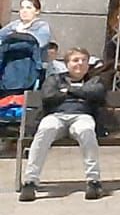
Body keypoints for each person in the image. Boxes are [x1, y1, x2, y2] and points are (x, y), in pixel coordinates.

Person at [18, 48, 105, 201]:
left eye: (84, 60)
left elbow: (96, 93)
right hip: (56, 116)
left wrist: (67, 91)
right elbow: (48, 96)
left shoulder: (95, 80)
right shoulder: (54, 79)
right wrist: (79, 92)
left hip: (82, 116)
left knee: (86, 131)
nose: (80, 64)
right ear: (67, 64)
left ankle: (94, 181)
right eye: (75, 60)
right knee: (45, 129)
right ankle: (30, 181)